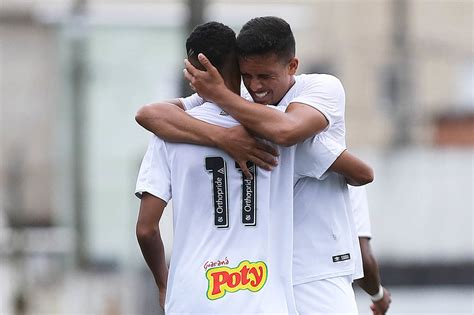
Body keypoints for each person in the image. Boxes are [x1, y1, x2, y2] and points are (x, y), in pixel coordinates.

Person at [136, 16, 373, 314]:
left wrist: (162, 283)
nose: (256, 86)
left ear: (292, 66)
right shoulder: (268, 130)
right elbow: (361, 172)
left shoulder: (172, 134)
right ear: (237, 67)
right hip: (259, 291)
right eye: (248, 75)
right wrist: (224, 138)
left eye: (265, 76)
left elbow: (145, 229)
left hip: (195, 293)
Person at [350, 185, 392, 315]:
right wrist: (379, 296)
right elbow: (362, 258)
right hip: (324, 299)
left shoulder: (288, 167)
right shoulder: (353, 177)